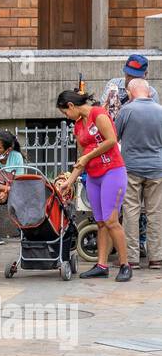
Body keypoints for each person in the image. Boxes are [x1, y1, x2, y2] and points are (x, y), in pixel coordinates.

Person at [57, 89, 131, 282]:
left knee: (111, 220)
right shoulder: (78, 125)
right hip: (93, 176)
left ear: (71, 106)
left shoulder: (98, 114)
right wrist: (69, 181)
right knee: (99, 222)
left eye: (65, 112)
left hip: (112, 172)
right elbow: (81, 158)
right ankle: (101, 265)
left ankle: (125, 265)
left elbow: (111, 140)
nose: (67, 116)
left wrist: (89, 156)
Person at [115, 78, 162, 269]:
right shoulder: (160, 111)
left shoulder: (126, 111)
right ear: (149, 92)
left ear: (130, 93)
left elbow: (114, 136)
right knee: (155, 213)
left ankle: (131, 258)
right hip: (157, 169)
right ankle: (156, 258)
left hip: (131, 168)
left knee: (131, 212)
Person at [101, 53, 158, 119]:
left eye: (136, 77)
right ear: (125, 72)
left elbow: (152, 119)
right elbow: (102, 112)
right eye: (129, 75)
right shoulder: (113, 84)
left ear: (145, 75)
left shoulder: (151, 93)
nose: (131, 80)